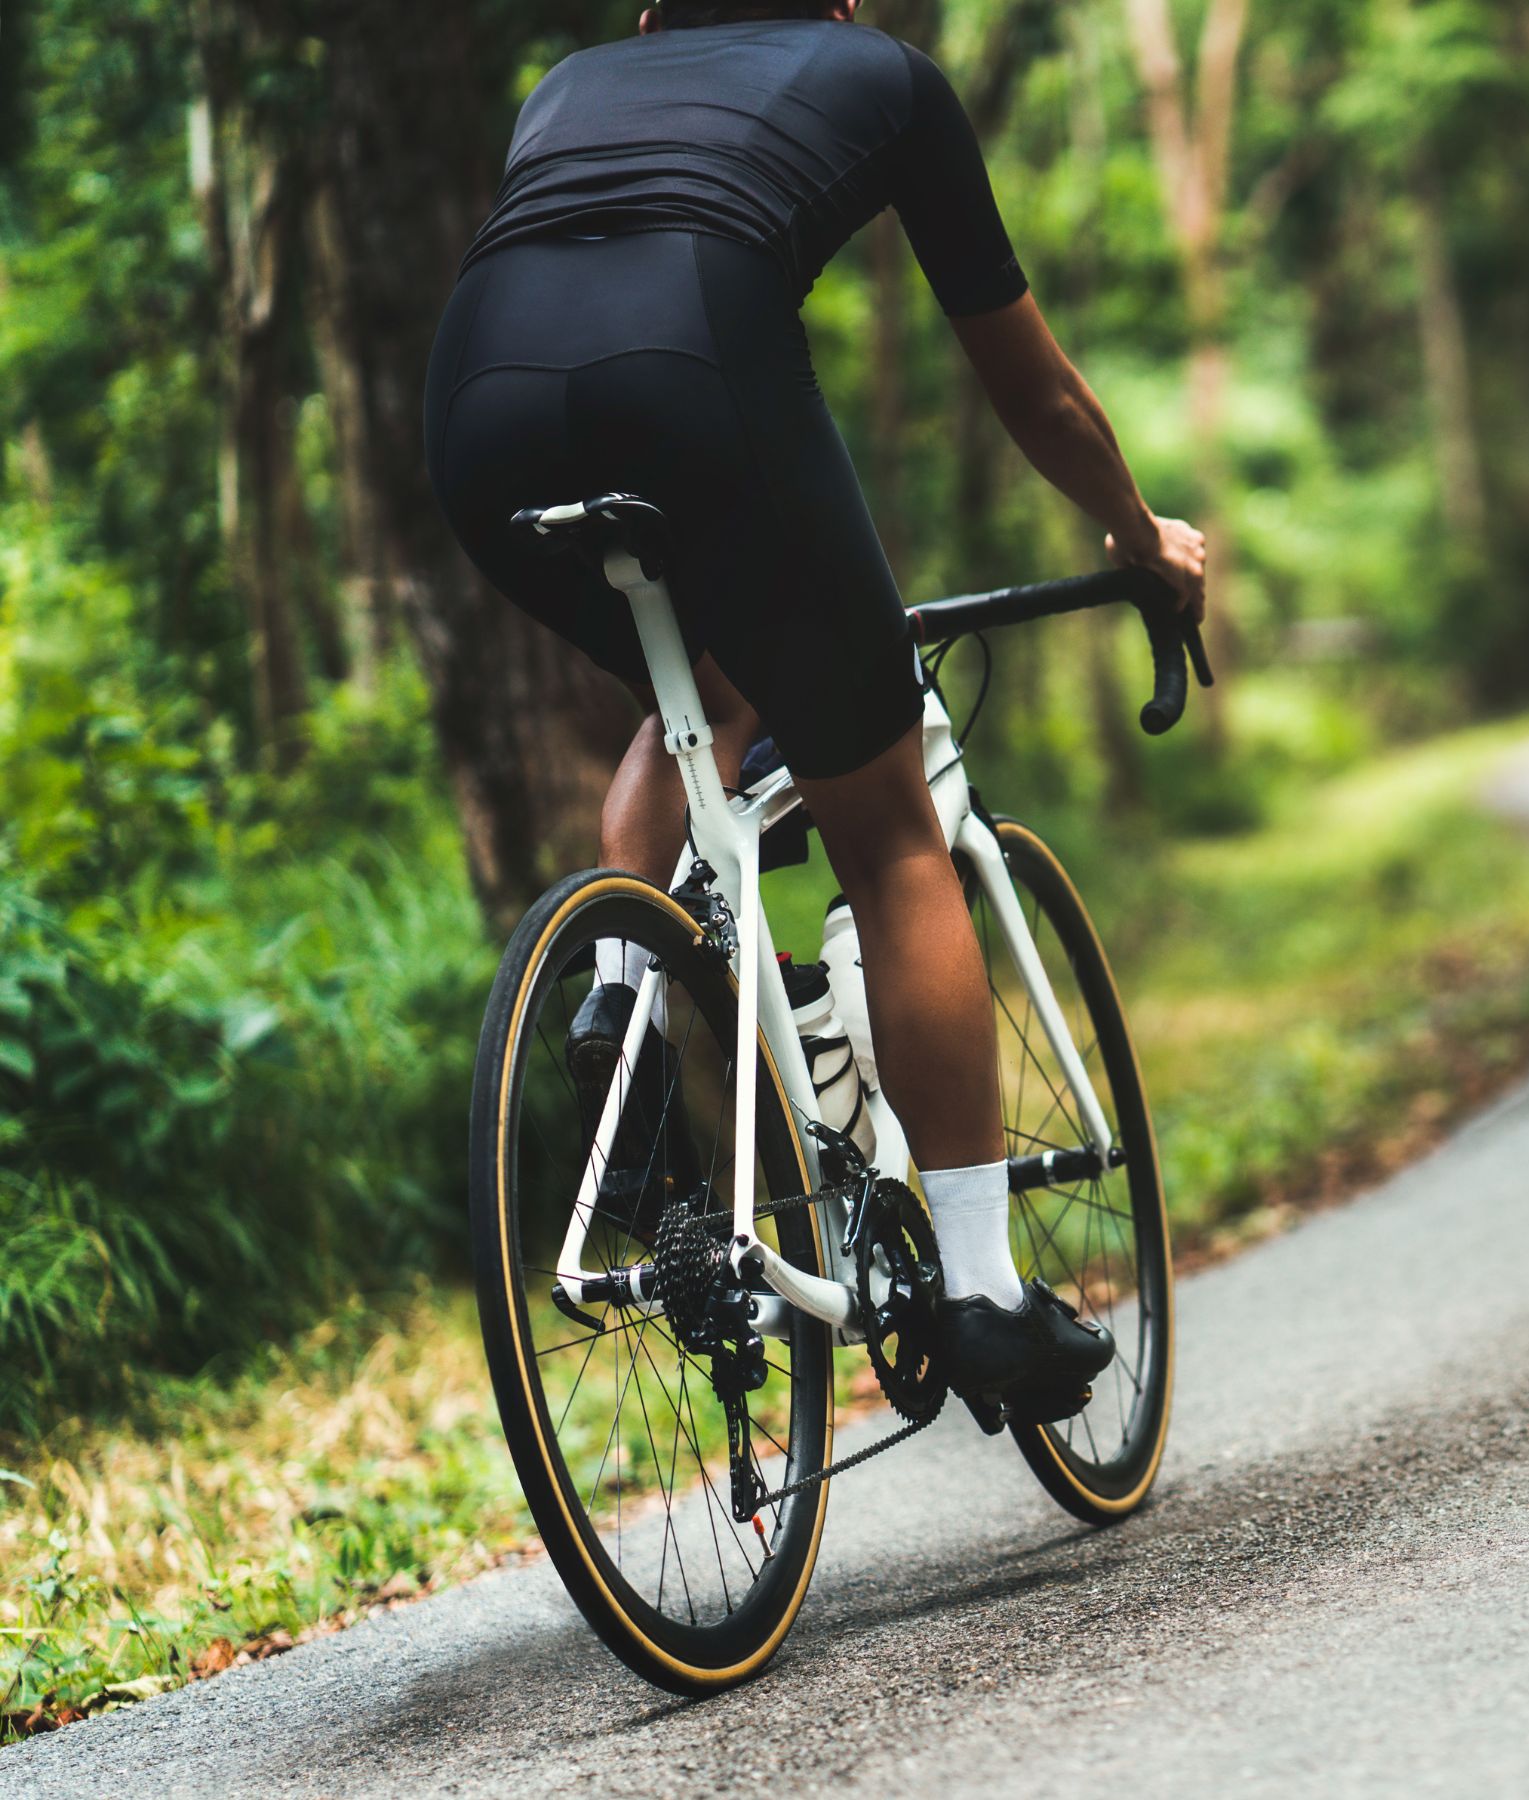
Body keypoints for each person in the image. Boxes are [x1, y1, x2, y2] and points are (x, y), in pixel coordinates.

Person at [424, 0, 1206, 1422]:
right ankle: (981, 1296)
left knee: (699, 698)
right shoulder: (881, 76)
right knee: (893, 832)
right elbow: (1039, 398)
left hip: (478, 405)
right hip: (697, 371)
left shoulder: (571, 83)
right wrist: (1142, 538)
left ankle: (625, 977)